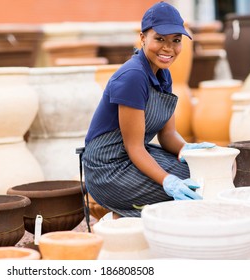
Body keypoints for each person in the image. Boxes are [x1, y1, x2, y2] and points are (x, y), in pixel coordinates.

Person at [81, 1, 215, 218]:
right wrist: (168, 182)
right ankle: (127, 221)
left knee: (205, 170)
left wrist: (187, 150)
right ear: (143, 38)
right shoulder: (133, 76)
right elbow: (134, 147)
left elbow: (168, 135)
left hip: (131, 156)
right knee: (198, 184)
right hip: (108, 168)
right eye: (160, 39)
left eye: (176, 41)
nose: (168, 48)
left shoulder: (164, 74)